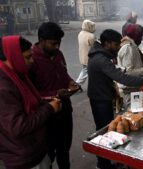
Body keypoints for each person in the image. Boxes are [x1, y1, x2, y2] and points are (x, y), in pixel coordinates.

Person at [87, 29, 143, 169]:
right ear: (107, 43)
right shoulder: (101, 59)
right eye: (116, 45)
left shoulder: (100, 55)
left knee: (107, 129)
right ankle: (104, 164)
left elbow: (115, 73)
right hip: (100, 100)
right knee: (105, 131)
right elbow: (124, 79)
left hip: (102, 96)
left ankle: (106, 162)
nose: (118, 48)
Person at [0, 35, 61, 169]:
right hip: (24, 158)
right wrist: (49, 109)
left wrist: (48, 102)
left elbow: (33, 101)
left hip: (36, 149)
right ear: (12, 56)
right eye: (27, 57)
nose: (32, 61)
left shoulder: (18, 74)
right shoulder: (4, 87)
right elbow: (18, 127)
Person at [29, 22, 80, 169]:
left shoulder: (58, 54)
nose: (57, 47)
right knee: (48, 155)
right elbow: (31, 93)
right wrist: (55, 94)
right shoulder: (31, 60)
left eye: (59, 43)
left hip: (65, 113)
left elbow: (64, 74)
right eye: (53, 44)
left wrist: (71, 83)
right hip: (47, 118)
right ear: (41, 40)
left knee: (64, 151)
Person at [117, 24, 143, 109]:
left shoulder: (133, 46)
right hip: (129, 89)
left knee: (139, 112)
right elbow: (128, 72)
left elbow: (136, 63)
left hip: (135, 87)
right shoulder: (128, 48)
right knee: (134, 113)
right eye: (141, 36)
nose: (142, 39)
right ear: (135, 36)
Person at [75, 19, 96, 86]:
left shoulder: (80, 33)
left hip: (82, 55)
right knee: (85, 71)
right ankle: (77, 84)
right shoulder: (91, 36)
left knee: (88, 70)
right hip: (89, 56)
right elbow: (94, 46)